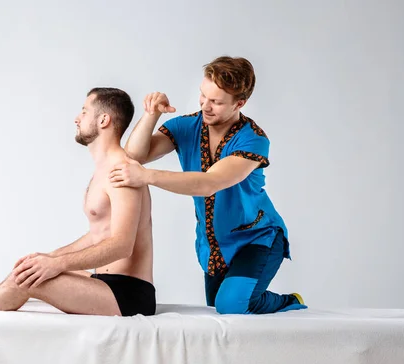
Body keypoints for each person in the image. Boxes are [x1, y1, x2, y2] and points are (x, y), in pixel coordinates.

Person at [0, 87, 156, 357]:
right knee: (30, 269)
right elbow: (98, 235)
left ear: (103, 120)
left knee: (30, 279)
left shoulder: (122, 172)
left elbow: (122, 245)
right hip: (106, 282)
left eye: (84, 111)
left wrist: (58, 263)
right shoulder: (103, 171)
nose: (77, 118)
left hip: (129, 296)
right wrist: (49, 257)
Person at [110, 56, 307, 315]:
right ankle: (249, 294)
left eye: (216, 101)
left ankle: (289, 301)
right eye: (203, 96)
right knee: (218, 306)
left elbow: (209, 183)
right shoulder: (187, 126)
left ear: (240, 103)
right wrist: (151, 115)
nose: (205, 105)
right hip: (215, 245)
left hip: (257, 237)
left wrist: (146, 176)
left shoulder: (254, 140)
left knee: (232, 305)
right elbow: (134, 156)